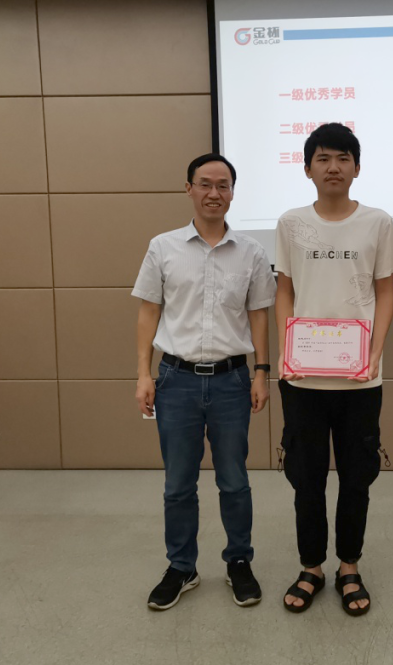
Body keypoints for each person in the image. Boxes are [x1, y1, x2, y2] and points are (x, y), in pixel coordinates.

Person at [132, 153, 276, 610]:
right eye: (205, 184)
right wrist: (143, 374)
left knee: (234, 480)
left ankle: (239, 561)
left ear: (233, 192)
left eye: (223, 185)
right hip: (176, 380)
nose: (215, 193)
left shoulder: (252, 252)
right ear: (189, 188)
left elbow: (259, 316)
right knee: (178, 484)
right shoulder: (163, 247)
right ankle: (182, 567)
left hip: (233, 381)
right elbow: (148, 311)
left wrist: (261, 372)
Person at [274, 123, 393, 616]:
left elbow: (385, 291)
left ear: (357, 167)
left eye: (343, 158)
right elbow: (284, 289)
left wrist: (375, 351)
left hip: (359, 378)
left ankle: (349, 564)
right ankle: (311, 566)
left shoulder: (377, 222)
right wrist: (286, 348)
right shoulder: (291, 223)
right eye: (324, 158)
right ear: (307, 168)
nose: (334, 167)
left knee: (356, 476)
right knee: (305, 478)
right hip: (303, 376)